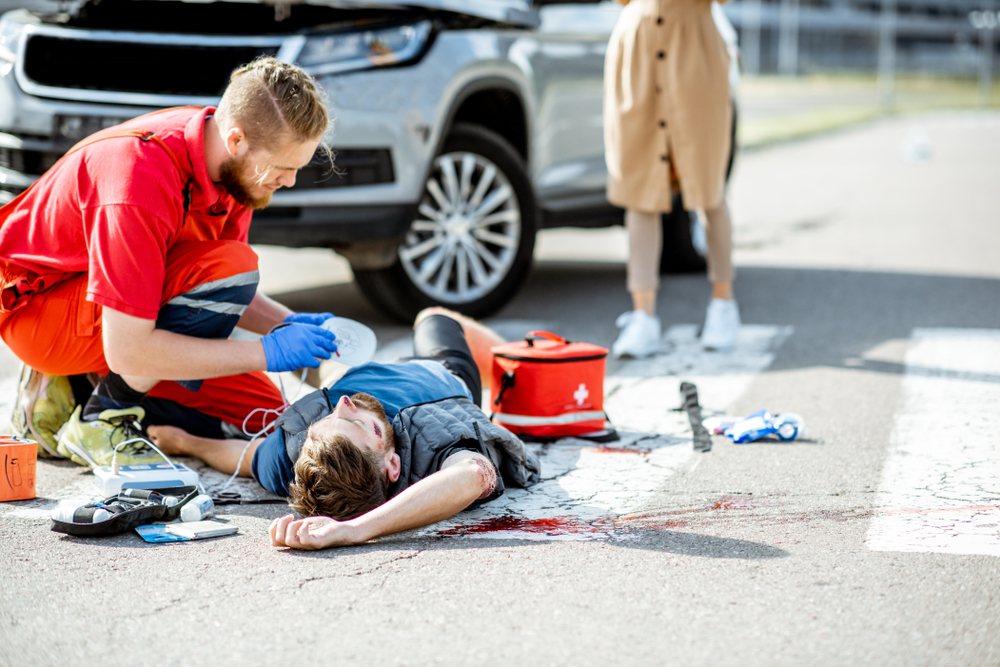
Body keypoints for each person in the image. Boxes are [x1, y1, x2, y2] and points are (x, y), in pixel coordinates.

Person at [0, 56, 339, 468]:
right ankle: (100, 416)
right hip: (42, 311)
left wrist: (287, 324)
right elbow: (129, 349)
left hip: (124, 309)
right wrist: (266, 352)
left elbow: (219, 293)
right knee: (231, 265)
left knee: (270, 422)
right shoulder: (141, 178)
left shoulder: (236, 171)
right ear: (237, 141)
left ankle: (78, 390)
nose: (289, 181)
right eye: (284, 168)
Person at [147, 308, 540, 550]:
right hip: (439, 377)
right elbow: (473, 475)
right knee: (433, 316)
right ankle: (533, 366)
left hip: (358, 372)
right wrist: (355, 530)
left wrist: (187, 442)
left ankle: (339, 374)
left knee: (338, 375)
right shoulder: (435, 455)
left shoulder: (295, 456)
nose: (343, 406)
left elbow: (245, 457)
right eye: (361, 425)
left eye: (330, 419)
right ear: (392, 466)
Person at [604, 0, 740, 358]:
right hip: (637, 51)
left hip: (695, 49)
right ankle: (642, 315)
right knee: (639, 191)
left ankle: (723, 304)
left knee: (709, 188)